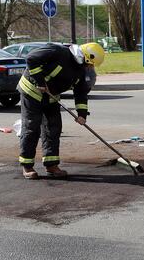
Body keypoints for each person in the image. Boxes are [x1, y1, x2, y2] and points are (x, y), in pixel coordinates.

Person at [17, 42, 105, 179]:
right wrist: (40, 82)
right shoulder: (57, 51)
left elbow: (81, 93)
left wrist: (81, 115)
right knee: (32, 127)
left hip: (51, 96)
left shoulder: (81, 71)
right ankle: (27, 165)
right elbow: (31, 59)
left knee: (53, 128)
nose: (90, 67)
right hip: (32, 91)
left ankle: (51, 164)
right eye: (90, 64)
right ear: (85, 58)